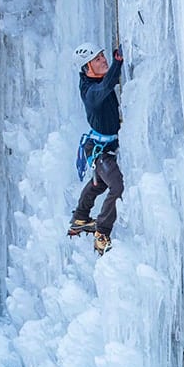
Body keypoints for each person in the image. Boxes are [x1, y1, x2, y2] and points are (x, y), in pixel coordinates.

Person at [68, 41, 124, 255]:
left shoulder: (95, 80)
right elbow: (106, 87)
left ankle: (80, 217)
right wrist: (118, 62)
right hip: (101, 151)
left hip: (104, 146)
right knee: (116, 186)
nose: (103, 60)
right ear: (87, 67)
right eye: (97, 59)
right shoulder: (92, 92)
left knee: (99, 183)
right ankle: (102, 233)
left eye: (103, 56)